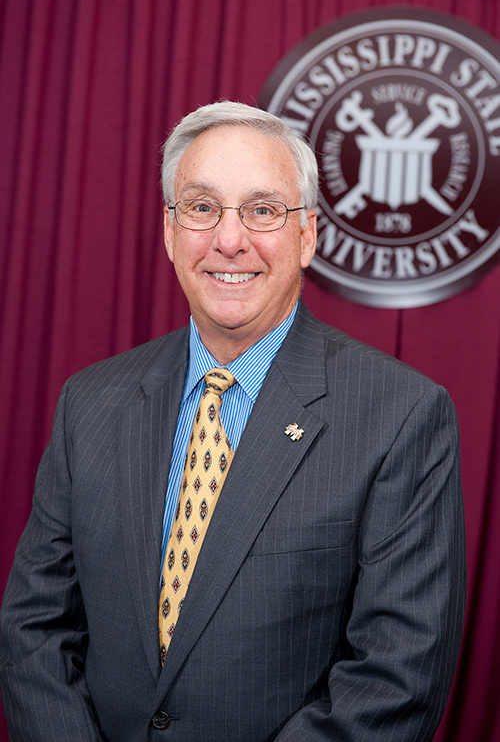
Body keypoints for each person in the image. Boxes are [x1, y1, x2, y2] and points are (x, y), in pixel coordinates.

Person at [0, 101, 466, 742]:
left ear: (307, 237)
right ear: (169, 232)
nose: (228, 239)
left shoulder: (401, 416)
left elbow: (396, 680)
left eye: (263, 209)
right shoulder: (90, 402)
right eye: (201, 208)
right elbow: (35, 627)